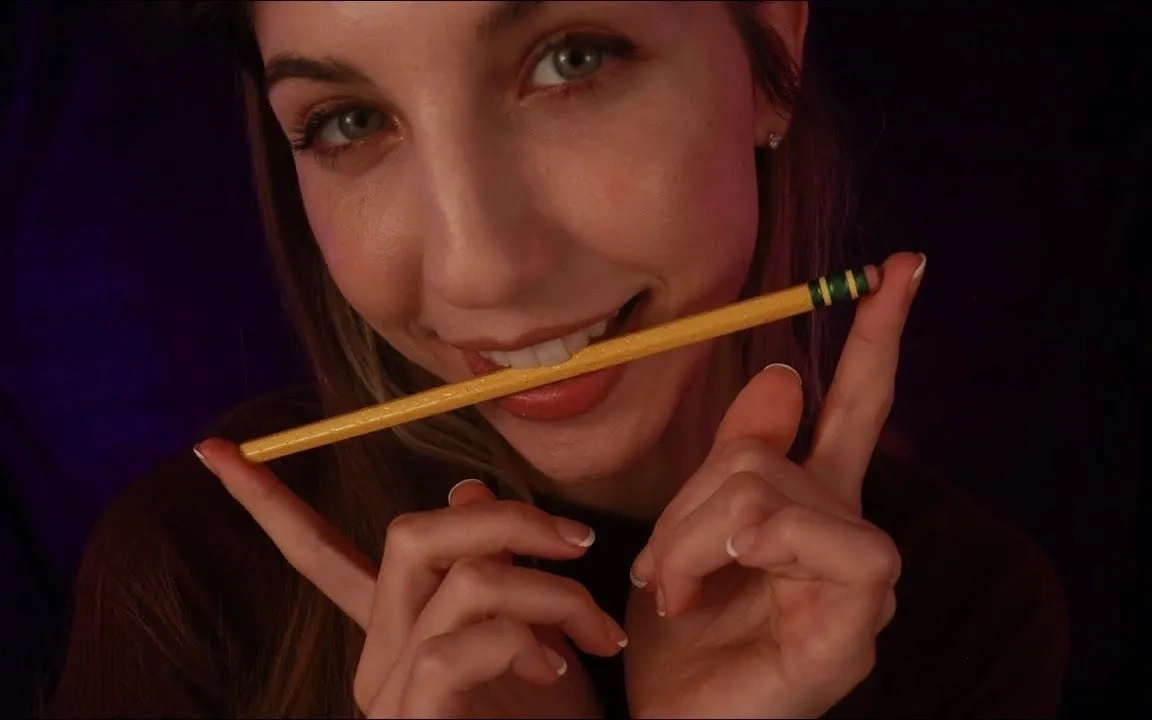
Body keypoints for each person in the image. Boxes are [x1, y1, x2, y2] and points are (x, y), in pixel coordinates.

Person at [44, 2, 1067, 717]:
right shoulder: (189, 587)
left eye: (571, 61)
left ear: (774, 45)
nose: (477, 268)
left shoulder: (962, 612)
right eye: (349, 122)